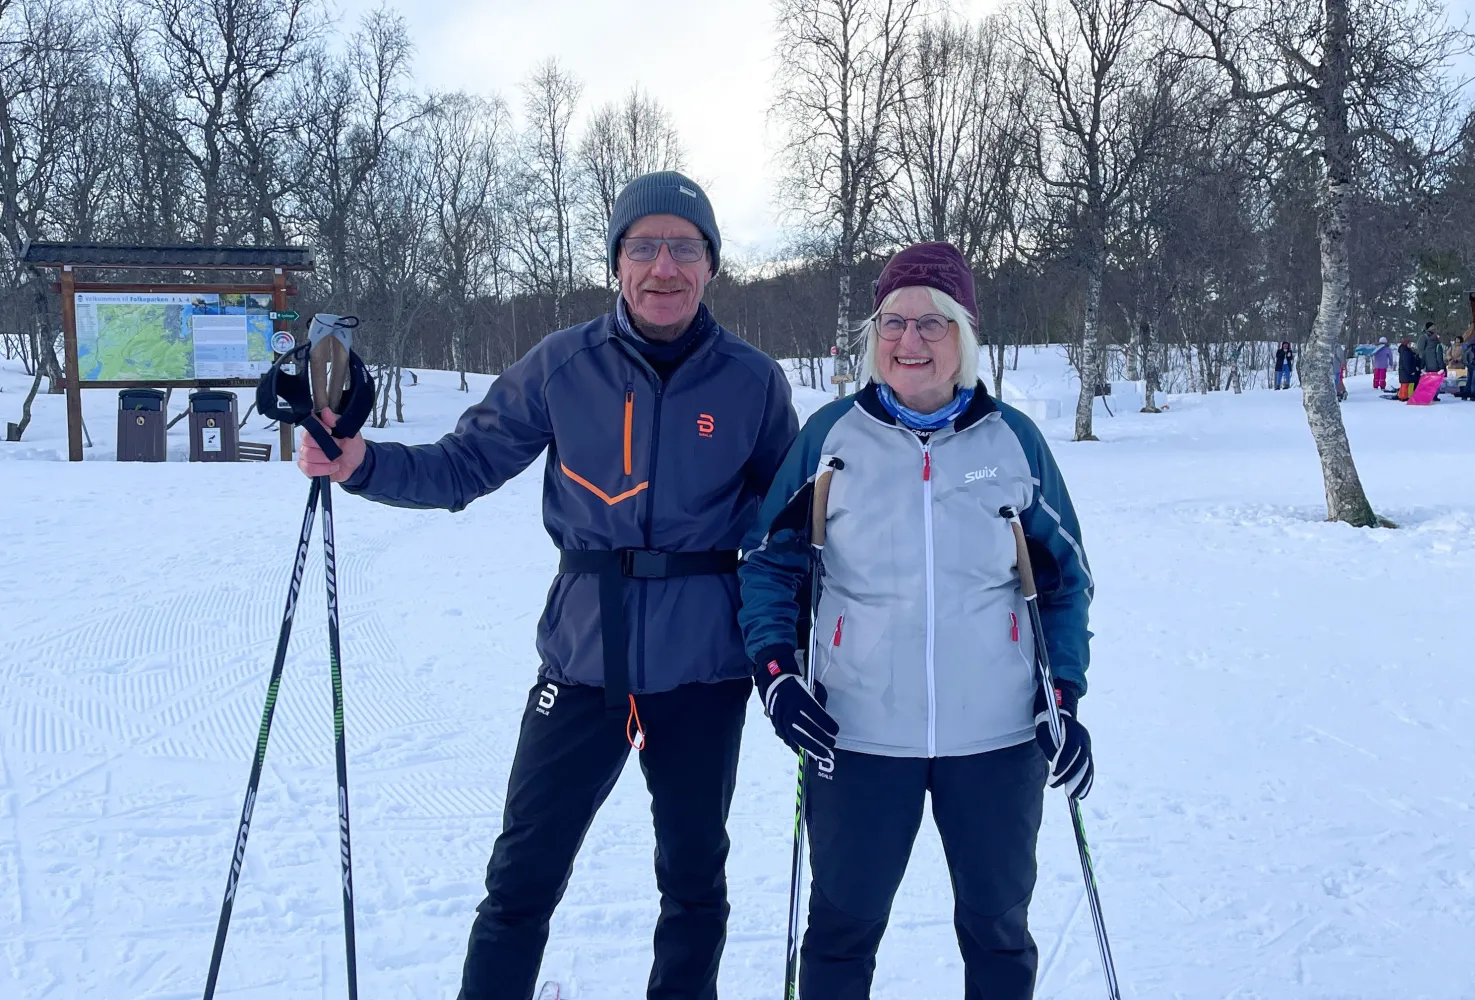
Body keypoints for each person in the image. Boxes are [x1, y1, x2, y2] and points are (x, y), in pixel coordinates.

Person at [296, 171, 799, 1000]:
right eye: (644, 246)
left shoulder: (752, 381)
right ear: (617, 264)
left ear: (711, 265)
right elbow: (465, 462)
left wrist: (804, 636)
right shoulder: (564, 364)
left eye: (683, 247)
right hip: (583, 658)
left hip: (705, 668)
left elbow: (790, 523)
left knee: (695, 883)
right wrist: (362, 464)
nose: (662, 267)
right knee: (522, 878)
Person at [738, 242, 1095, 1000]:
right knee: (841, 931)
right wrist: (776, 675)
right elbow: (769, 564)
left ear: (963, 335)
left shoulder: (1012, 442)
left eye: (932, 324)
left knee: (998, 932)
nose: (910, 341)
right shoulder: (830, 440)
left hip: (997, 741)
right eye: (894, 322)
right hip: (857, 734)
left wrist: (1062, 693)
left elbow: (1066, 585)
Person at [1397, 334, 1422, 402]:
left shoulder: (1405, 351)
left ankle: (1402, 396)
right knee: (1406, 385)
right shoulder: (1406, 352)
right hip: (1406, 372)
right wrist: (1411, 371)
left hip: (1404, 372)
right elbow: (1407, 363)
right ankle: (1404, 397)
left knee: (1404, 385)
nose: (1410, 345)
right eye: (1409, 344)